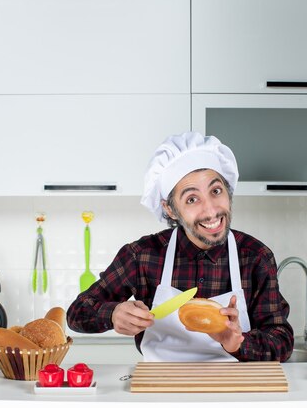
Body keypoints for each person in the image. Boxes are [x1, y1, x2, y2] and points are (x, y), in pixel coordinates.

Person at [67, 131, 294, 362]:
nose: (211, 210)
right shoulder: (142, 256)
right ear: (170, 209)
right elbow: (77, 313)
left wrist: (238, 343)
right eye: (192, 199)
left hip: (234, 390)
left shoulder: (255, 257)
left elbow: (282, 341)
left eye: (216, 191)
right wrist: (113, 314)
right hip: (160, 390)